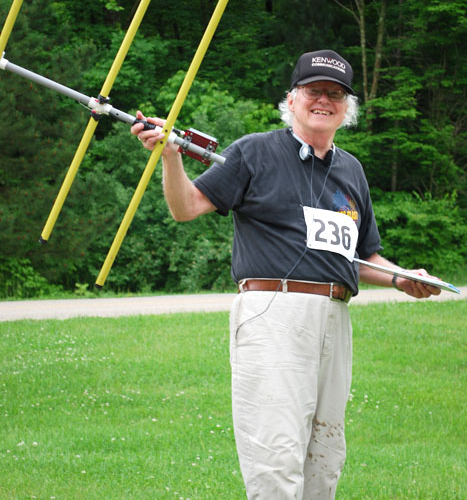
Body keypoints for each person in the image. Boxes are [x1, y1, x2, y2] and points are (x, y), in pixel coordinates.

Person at [131, 49, 440, 500]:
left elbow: (362, 256)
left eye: (335, 94)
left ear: (347, 108)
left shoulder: (352, 170)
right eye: (314, 91)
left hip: (335, 317)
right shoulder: (254, 151)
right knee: (275, 456)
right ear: (292, 99)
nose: (324, 100)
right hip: (273, 314)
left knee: (325, 458)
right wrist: (170, 157)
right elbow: (186, 207)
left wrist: (401, 277)